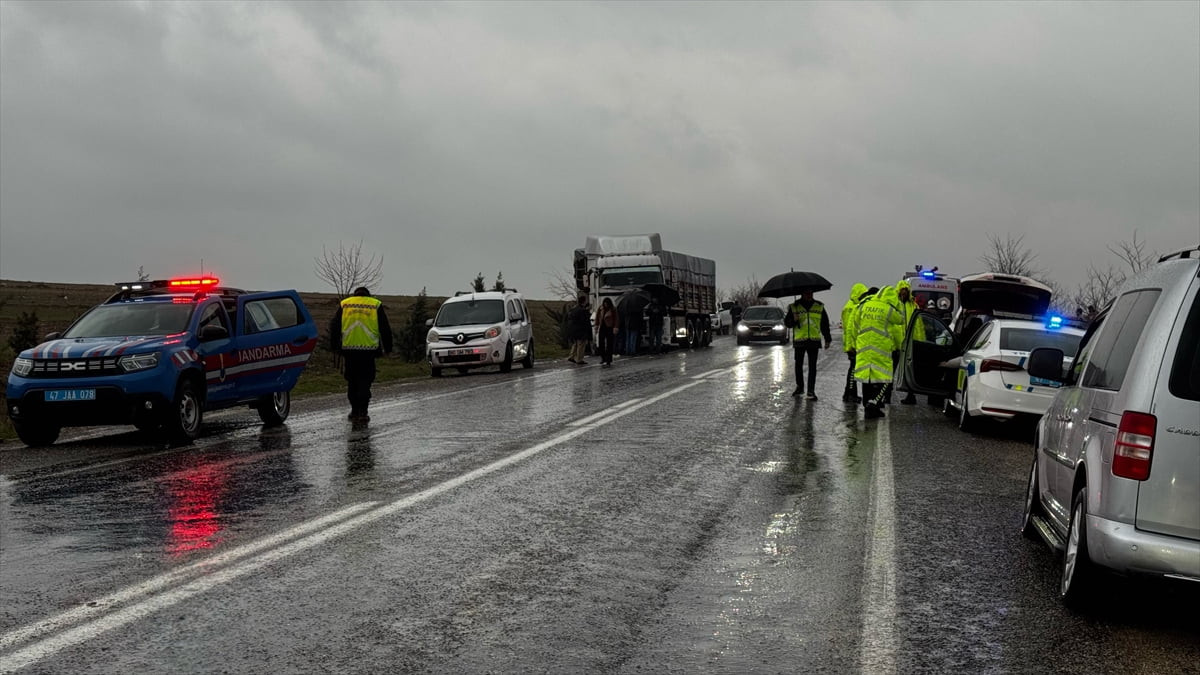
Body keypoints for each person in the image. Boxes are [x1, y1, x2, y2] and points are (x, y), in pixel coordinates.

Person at [329, 286, 393, 422]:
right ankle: (363, 412)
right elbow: (385, 328)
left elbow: (334, 326)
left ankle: (354, 410)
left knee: (352, 381)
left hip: (349, 350)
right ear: (368, 295)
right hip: (368, 351)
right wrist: (388, 348)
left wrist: (334, 346)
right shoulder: (375, 305)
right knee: (365, 381)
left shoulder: (345, 304)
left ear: (355, 294)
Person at [854, 286, 904, 418]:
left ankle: (867, 405)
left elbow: (856, 322)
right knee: (886, 379)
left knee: (867, 379)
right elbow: (900, 320)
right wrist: (898, 305)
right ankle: (874, 403)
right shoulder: (888, 309)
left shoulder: (864, 305)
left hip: (864, 347)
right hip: (881, 348)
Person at [784, 291, 832, 399]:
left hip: (814, 340)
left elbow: (824, 323)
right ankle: (800, 387)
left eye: (811, 293)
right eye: (807, 293)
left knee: (812, 367)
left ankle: (811, 391)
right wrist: (794, 320)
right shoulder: (794, 307)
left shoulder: (819, 306)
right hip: (800, 340)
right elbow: (787, 323)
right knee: (798, 366)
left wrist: (827, 339)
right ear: (802, 294)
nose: (809, 295)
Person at [895, 280, 923, 405]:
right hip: (897, 342)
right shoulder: (895, 304)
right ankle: (885, 393)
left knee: (909, 369)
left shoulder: (914, 305)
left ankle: (911, 395)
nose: (904, 292)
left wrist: (920, 341)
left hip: (910, 343)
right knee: (893, 368)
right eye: (902, 290)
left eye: (906, 290)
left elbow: (919, 325)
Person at [840, 283, 869, 403]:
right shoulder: (851, 307)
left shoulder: (854, 305)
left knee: (853, 368)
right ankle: (850, 394)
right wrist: (851, 345)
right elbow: (849, 328)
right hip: (852, 343)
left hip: (853, 343)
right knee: (853, 369)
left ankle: (848, 393)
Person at [566, 294, 592, 365]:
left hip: (573, 330)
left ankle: (571, 356)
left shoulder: (573, 309)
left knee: (575, 344)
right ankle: (579, 359)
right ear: (584, 301)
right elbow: (584, 321)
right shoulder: (582, 310)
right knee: (581, 344)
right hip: (581, 330)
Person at [594, 297, 620, 367]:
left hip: (609, 327)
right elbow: (597, 317)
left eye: (607, 304)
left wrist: (615, 327)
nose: (605, 305)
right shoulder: (600, 308)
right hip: (602, 327)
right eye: (605, 303)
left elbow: (616, 318)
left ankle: (608, 359)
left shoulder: (613, 309)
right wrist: (596, 325)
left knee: (609, 344)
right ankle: (603, 358)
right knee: (601, 343)